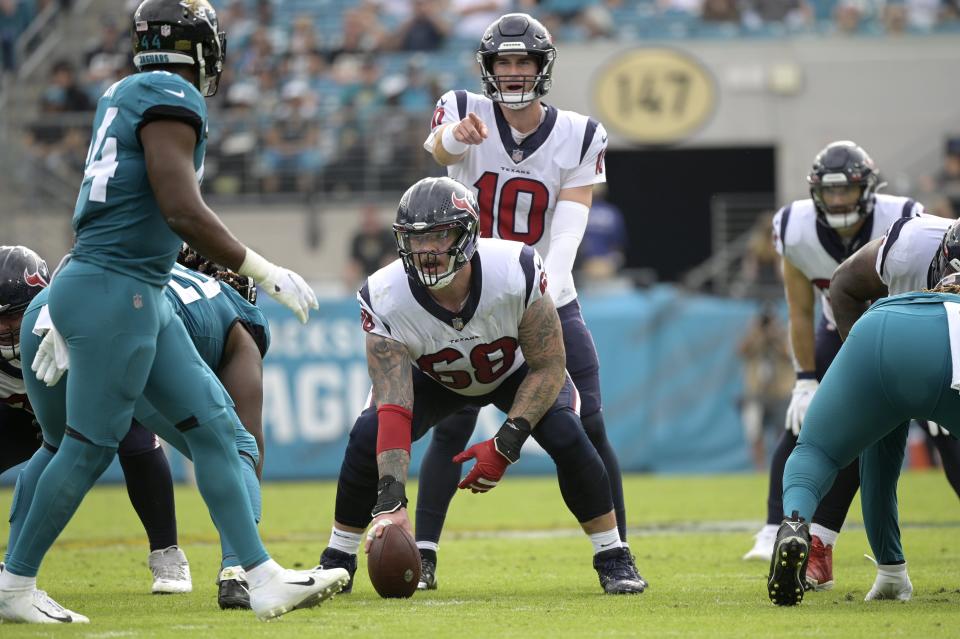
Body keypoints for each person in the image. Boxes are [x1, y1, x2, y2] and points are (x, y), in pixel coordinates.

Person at [0, 0, 347, 624]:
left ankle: (258, 572)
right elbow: (179, 208)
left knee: (221, 432)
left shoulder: (125, 91)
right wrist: (262, 269)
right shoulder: (167, 94)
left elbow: (123, 209)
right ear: (199, 47)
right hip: (118, 289)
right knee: (84, 447)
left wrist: (66, 297)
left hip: (131, 286)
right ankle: (14, 583)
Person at [316, 177, 646, 596]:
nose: (426, 251)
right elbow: (395, 404)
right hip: (437, 378)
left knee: (566, 430)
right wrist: (392, 502)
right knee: (367, 434)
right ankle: (338, 558)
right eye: (416, 240)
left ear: (468, 233)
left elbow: (548, 367)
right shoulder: (385, 293)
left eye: (440, 236)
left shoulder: (515, 269)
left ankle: (613, 555)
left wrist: (506, 442)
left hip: (516, 370)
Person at [417, 12, 631, 591]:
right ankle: (424, 554)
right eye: (504, 62)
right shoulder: (463, 107)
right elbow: (437, 153)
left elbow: (570, 219)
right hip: (468, 294)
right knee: (450, 428)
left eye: (524, 61)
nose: (514, 72)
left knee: (587, 424)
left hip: (543, 292)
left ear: (542, 66)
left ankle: (617, 554)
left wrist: (547, 281)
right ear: (487, 69)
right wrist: (450, 140)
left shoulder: (579, 133)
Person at [744, 141, 924, 594]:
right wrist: (805, 379)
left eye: (849, 191)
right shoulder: (796, 226)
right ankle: (791, 532)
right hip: (843, 330)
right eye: (832, 192)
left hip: (914, 333)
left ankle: (822, 543)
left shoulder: (907, 220)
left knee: (867, 440)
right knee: (817, 429)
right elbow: (801, 309)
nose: (840, 200)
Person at [0, 245, 191, 596]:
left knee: (135, 436)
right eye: (0, 319)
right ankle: (13, 567)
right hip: (25, 419)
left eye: (15, 315)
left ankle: (166, 551)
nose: (9, 327)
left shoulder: (75, 320)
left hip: (81, 408)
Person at [767, 261, 960, 606]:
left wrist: (854, 366)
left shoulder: (903, 240)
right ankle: (888, 573)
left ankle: (798, 523)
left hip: (880, 327)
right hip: (949, 345)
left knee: (816, 452)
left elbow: (842, 282)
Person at [830, 214, 960, 492]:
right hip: (899, 356)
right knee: (845, 441)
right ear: (939, 259)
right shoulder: (910, 249)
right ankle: (809, 528)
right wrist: (867, 378)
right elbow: (842, 285)